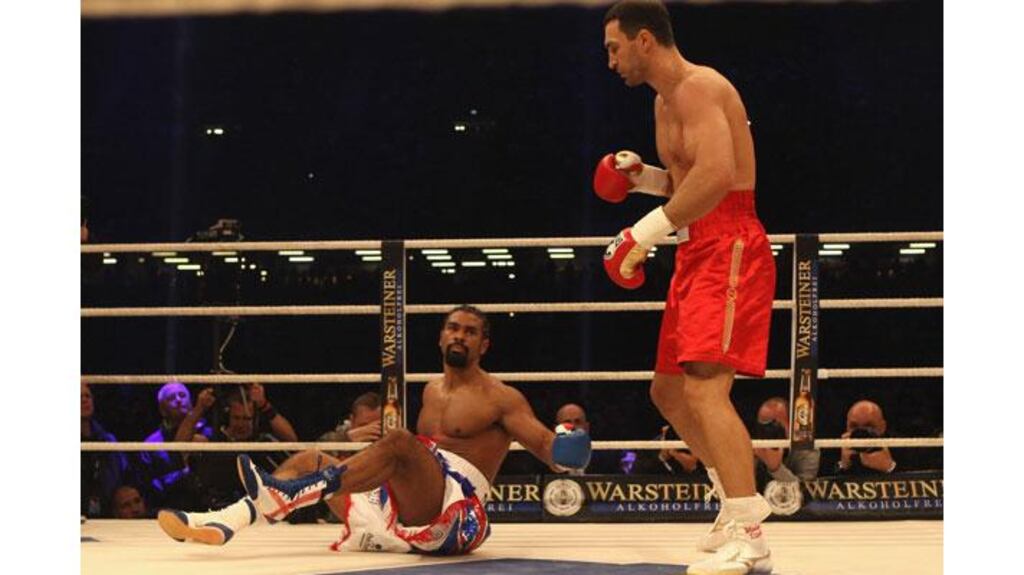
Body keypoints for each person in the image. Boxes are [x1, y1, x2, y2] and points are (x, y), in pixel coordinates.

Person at [157, 305, 591, 556]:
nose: (460, 336)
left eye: (471, 332)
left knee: (400, 441)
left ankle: (286, 496)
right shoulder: (431, 391)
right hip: (413, 506)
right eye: (453, 328)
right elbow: (414, 464)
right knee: (312, 458)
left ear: (484, 345)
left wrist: (570, 444)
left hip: (458, 516)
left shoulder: (501, 397)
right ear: (441, 338)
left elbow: (546, 448)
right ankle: (227, 520)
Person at [595, 2, 776, 572]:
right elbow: (686, 178)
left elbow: (720, 176)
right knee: (669, 393)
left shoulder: (700, 87)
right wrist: (641, 179)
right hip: (697, 248)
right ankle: (732, 503)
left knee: (704, 389)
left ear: (644, 40)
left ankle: (751, 534)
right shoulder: (662, 101)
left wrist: (641, 233)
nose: (609, 60)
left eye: (613, 47)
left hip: (731, 245)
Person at [139, 381, 211, 509]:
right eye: (171, 398)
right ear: (162, 410)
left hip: (206, 505)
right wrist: (183, 475)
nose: (178, 400)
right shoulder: (151, 444)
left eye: (182, 395)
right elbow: (149, 485)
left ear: (190, 401)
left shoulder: (207, 432)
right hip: (170, 506)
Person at [81, 381, 129, 518]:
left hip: (106, 508)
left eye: (87, 396)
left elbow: (123, 474)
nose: (84, 400)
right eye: (78, 397)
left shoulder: (107, 439)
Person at [751, 397, 820, 488]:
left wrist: (776, 469)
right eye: (763, 426)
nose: (768, 431)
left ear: (790, 424)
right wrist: (751, 464)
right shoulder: (755, 445)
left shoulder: (806, 448)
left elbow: (806, 492)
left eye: (774, 425)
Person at [836, 400, 897, 475]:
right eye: (854, 426)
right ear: (846, 426)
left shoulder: (900, 444)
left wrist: (890, 467)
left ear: (883, 427)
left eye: (869, 426)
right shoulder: (833, 445)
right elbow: (821, 479)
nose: (861, 432)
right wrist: (843, 466)